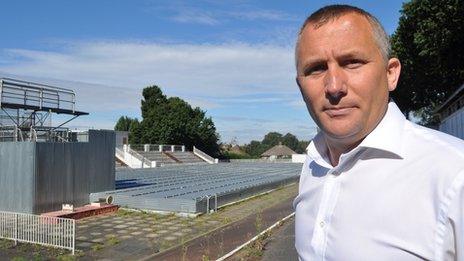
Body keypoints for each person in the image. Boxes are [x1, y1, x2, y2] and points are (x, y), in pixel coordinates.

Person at [293, 4, 464, 260]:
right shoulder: (313, 165)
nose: (334, 87)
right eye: (316, 69)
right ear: (300, 85)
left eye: (352, 63)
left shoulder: (454, 175)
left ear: (390, 73)